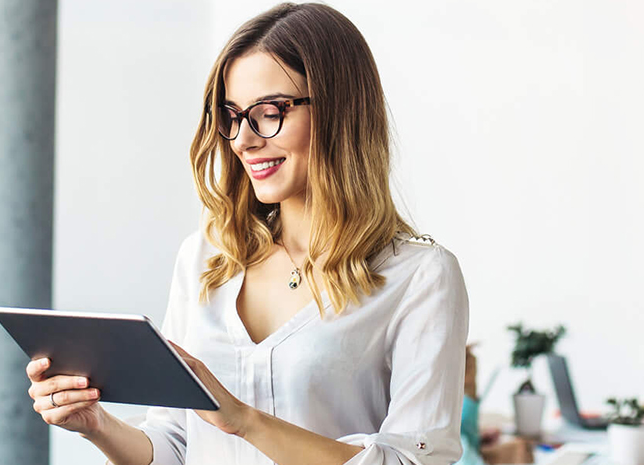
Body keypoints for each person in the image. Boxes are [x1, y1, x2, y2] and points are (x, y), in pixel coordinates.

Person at [23, 3, 469, 465]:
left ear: (341, 111)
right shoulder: (204, 259)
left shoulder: (420, 277)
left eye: (270, 111)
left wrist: (244, 420)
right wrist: (99, 426)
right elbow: (177, 442)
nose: (243, 140)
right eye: (233, 115)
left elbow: (416, 460)